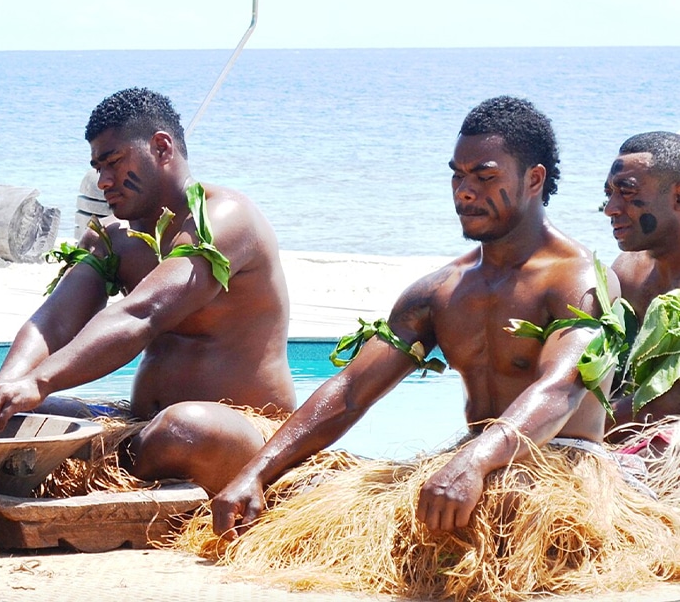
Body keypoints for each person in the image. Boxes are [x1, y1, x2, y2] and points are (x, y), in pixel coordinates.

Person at [177, 97, 680, 600]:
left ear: (533, 179)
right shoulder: (439, 291)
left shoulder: (579, 280)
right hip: (472, 464)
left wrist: (475, 462)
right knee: (326, 519)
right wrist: (255, 473)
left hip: (556, 473)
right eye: (457, 177)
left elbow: (559, 389)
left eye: (484, 177)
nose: (465, 192)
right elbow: (352, 390)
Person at [0, 87, 296, 494]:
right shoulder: (112, 239)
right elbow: (53, 322)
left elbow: (142, 314)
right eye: (97, 167)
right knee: (24, 417)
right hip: (142, 428)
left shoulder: (223, 220)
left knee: (183, 429)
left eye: (113, 162)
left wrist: (38, 383)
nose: (103, 180)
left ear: (161, 147)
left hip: (243, 432)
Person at [603, 132, 680, 428]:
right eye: (609, 193)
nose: (610, 208)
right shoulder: (626, 274)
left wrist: (581, 425)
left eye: (628, 192)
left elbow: (667, 403)